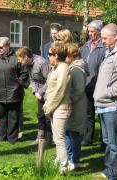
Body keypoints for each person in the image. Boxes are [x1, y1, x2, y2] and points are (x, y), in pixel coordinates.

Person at [93, 23, 117, 179]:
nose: (102, 41)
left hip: (113, 106)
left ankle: (113, 175)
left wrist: (107, 93)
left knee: (115, 144)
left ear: (115, 36)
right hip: (104, 105)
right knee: (109, 141)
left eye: (105, 37)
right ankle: (109, 170)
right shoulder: (111, 51)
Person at [0, 37, 28, 144]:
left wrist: (18, 84)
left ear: (8, 46)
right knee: (1, 116)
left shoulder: (16, 58)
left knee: (13, 117)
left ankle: (12, 138)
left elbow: (24, 74)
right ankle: (1, 137)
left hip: (14, 93)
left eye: (1, 47)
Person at [43, 42, 71, 175]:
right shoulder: (56, 67)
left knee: (59, 139)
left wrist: (49, 107)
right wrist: (47, 104)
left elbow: (60, 90)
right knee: (56, 138)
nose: (48, 56)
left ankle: (63, 168)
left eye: (50, 54)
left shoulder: (63, 68)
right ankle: (59, 161)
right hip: (55, 107)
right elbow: (51, 89)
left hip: (61, 107)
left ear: (56, 55)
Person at [15, 46, 51, 145]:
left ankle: (49, 140)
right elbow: (32, 79)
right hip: (39, 93)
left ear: (25, 57)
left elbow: (50, 80)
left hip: (48, 93)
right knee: (40, 115)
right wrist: (35, 91)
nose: (19, 61)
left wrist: (41, 92)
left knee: (47, 116)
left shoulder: (41, 63)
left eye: (19, 59)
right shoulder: (27, 64)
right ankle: (40, 138)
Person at [80, 20, 106, 147]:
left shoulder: (104, 47)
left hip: (99, 87)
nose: (90, 34)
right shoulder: (85, 46)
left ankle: (103, 141)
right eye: (89, 31)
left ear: (99, 32)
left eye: (92, 31)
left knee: (102, 115)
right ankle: (87, 138)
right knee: (87, 113)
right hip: (86, 85)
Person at [65, 43, 89, 171]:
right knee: (69, 132)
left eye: (66, 56)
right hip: (72, 104)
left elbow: (78, 90)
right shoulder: (73, 67)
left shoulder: (76, 69)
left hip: (75, 105)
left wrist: (67, 101)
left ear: (72, 56)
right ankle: (71, 159)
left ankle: (75, 160)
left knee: (73, 133)